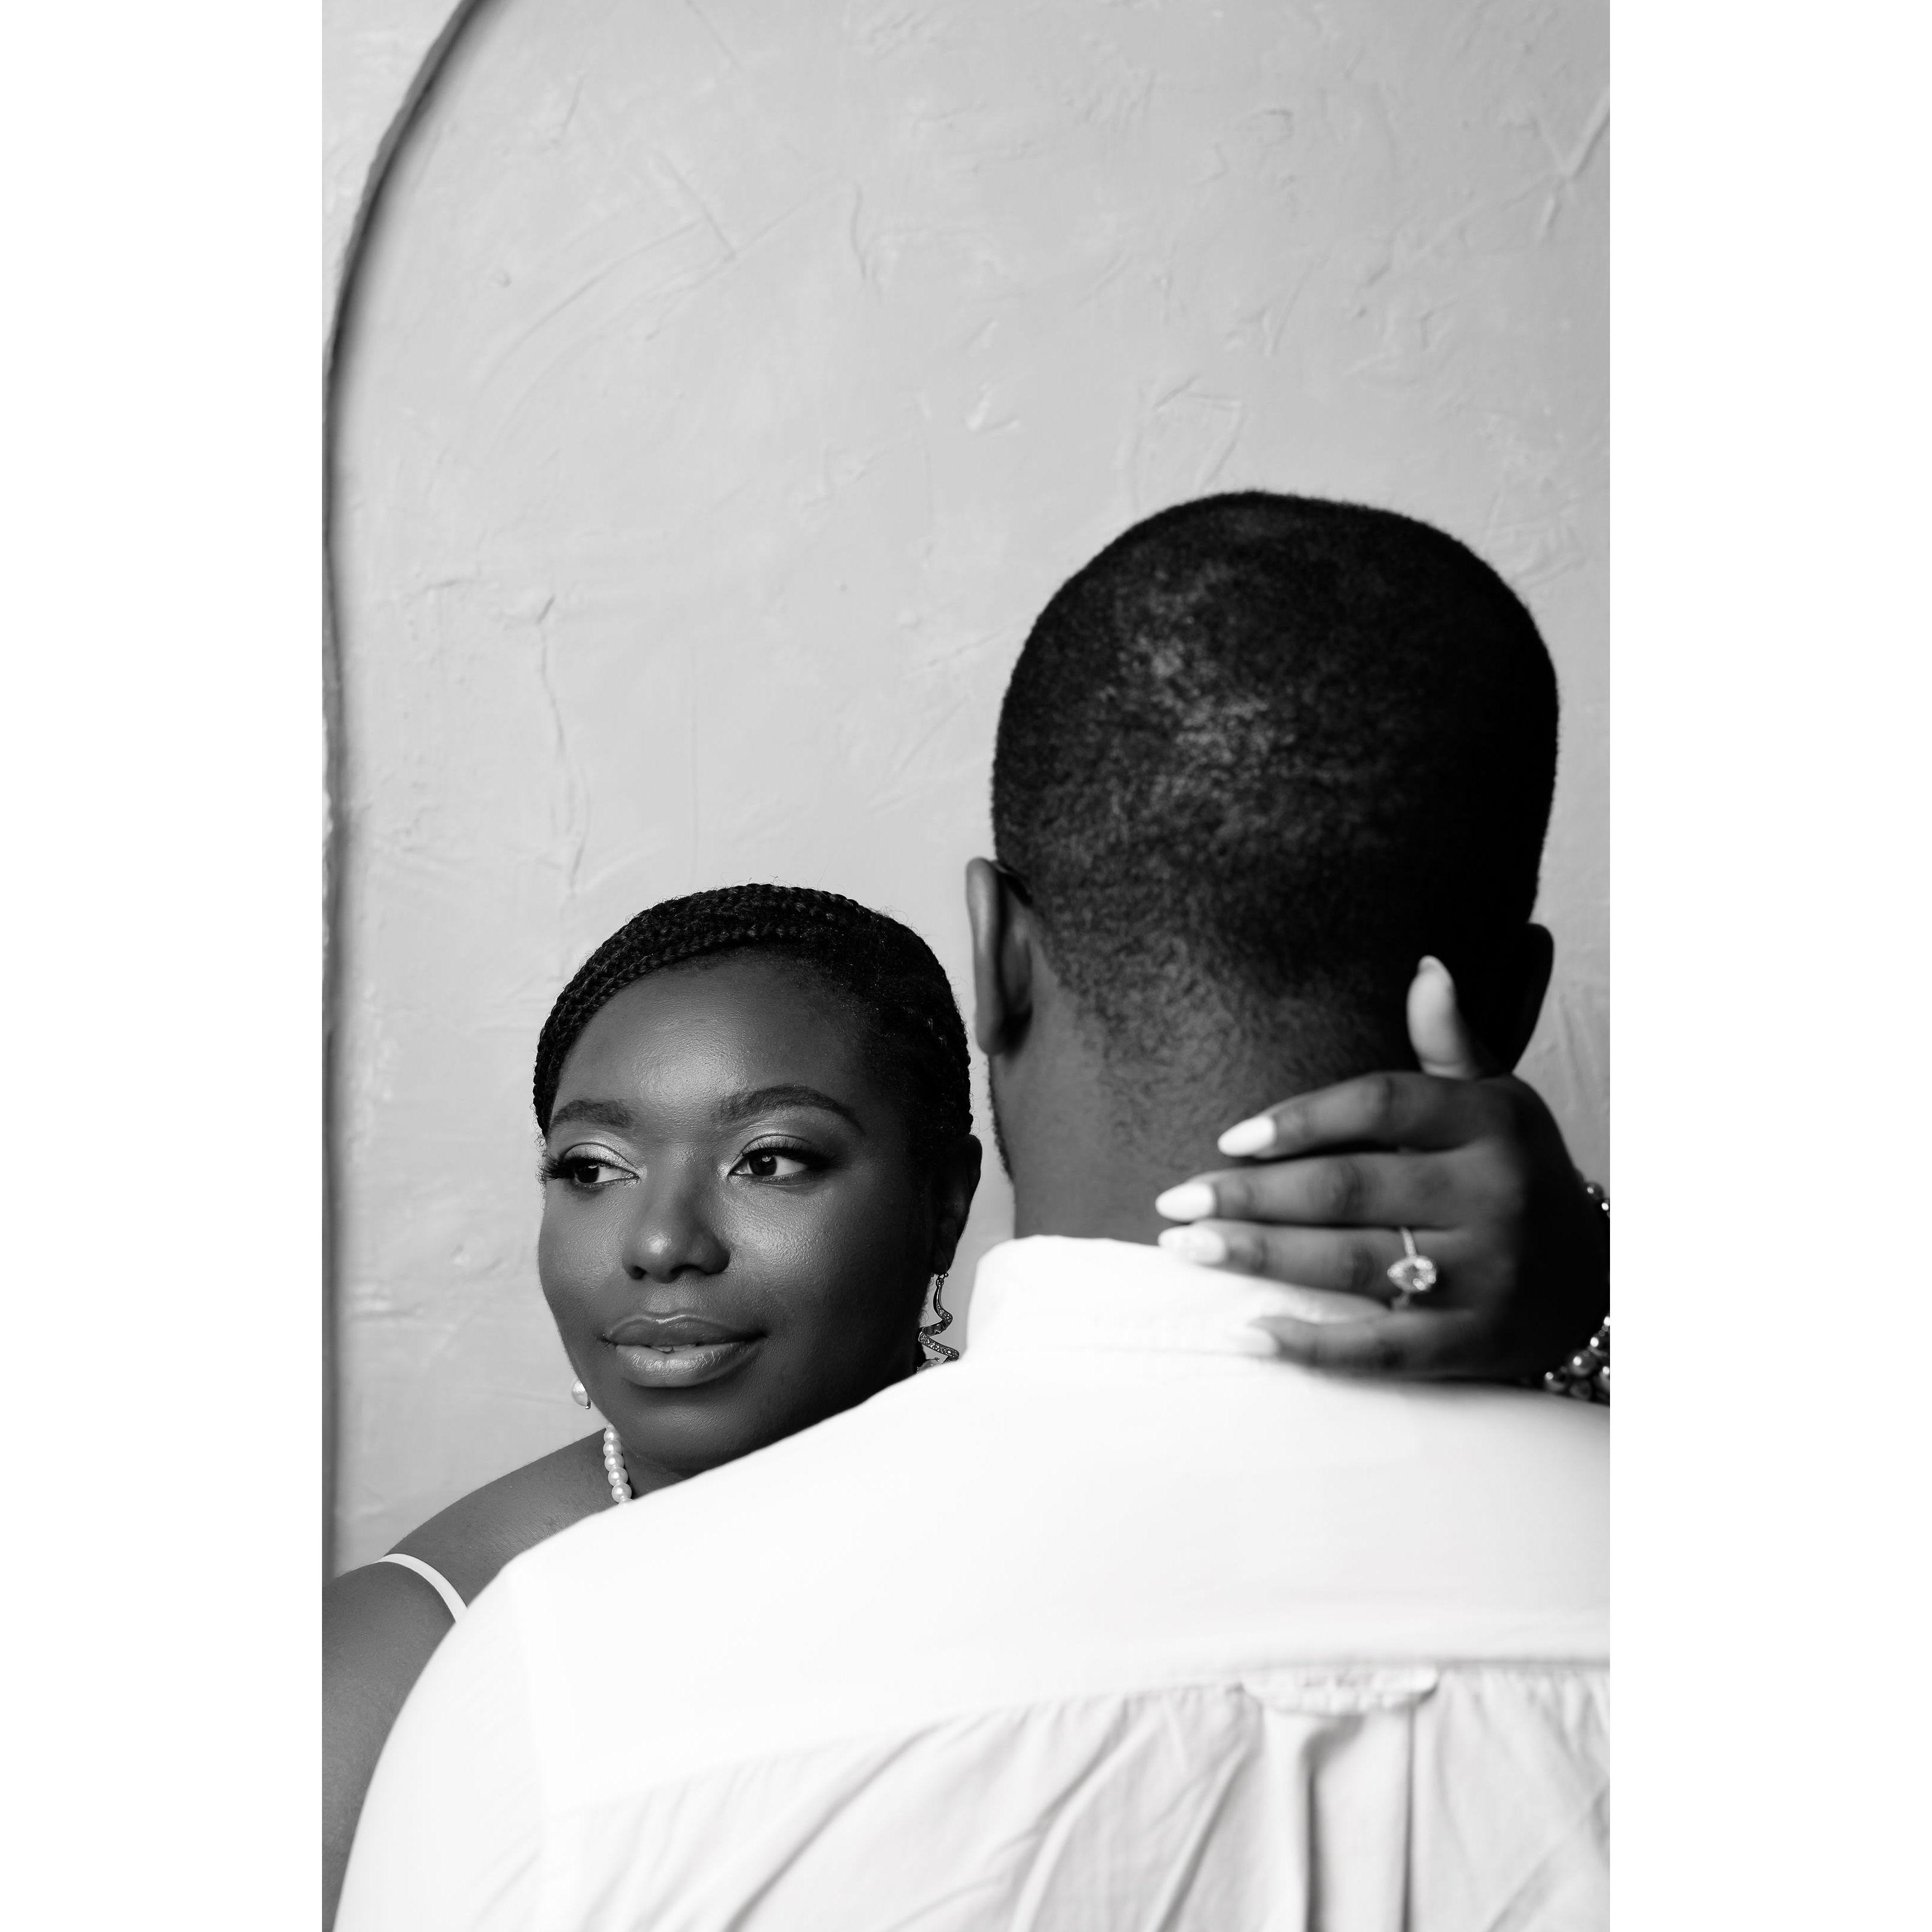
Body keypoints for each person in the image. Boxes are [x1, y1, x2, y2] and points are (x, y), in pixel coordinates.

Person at [336, 491, 1610, 1930]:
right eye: (589, 1166)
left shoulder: (560, 1698)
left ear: (994, 957)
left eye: (775, 1157)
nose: (663, 1244)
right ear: (1512, 1005)